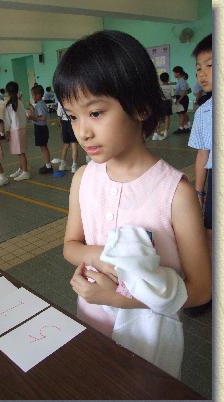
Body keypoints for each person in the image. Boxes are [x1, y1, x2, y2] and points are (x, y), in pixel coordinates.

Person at [53, 30, 211, 378]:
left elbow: (200, 290)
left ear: (141, 106)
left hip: (149, 345)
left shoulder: (174, 193)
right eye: (72, 116)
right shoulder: (83, 179)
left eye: (95, 113)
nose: (83, 132)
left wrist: (119, 298)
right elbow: (70, 246)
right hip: (91, 323)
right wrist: (98, 257)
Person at [188, 34, 212, 259]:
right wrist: (199, 191)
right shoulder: (204, 112)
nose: (201, 74)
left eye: (210, 65)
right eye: (198, 68)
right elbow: (203, 153)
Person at [4, 81, 30, 181]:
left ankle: (25, 172)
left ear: (7, 92)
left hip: (15, 130)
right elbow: (25, 115)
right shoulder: (19, 102)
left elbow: (7, 120)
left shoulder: (9, 104)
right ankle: (21, 169)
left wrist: (6, 132)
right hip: (21, 128)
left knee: (21, 153)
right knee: (20, 152)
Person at [27, 85, 53, 174]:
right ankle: (47, 164)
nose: (33, 97)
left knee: (44, 147)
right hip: (40, 128)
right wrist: (32, 109)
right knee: (43, 147)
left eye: (34, 95)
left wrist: (32, 118)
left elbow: (43, 118)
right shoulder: (39, 104)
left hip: (41, 128)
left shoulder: (40, 104)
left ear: (39, 95)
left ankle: (48, 166)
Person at [57, 101, 78, 173]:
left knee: (65, 144)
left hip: (64, 123)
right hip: (72, 122)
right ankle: (74, 166)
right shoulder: (72, 99)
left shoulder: (60, 101)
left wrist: (61, 125)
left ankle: (62, 165)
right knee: (74, 143)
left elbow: (59, 114)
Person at [152, 72, 174, 141]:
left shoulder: (159, 87)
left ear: (161, 79)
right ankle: (165, 132)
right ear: (168, 79)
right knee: (167, 117)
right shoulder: (170, 87)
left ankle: (155, 134)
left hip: (160, 103)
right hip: (167, 103)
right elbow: (173, 96)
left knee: (158, 118)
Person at [172, 67, 191, 134]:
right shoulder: (179, 80)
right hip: (180, 98)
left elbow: (183, 92)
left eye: (174, 73)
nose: (174, 74)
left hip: (182, 99)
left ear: (178, 73)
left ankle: (181, 128)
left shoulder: (182, 81)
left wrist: (178, 100)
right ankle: (186, 126)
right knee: (182, 114)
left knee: (181, 114)